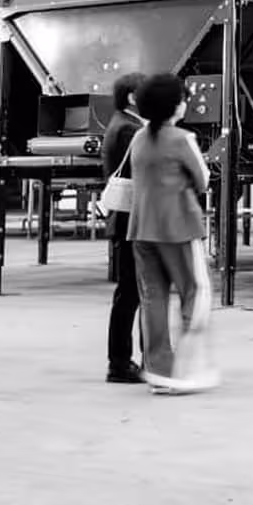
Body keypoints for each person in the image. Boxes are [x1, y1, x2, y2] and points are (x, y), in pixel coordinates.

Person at [129, 73, 218, 396]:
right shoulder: (182, 139)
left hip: (142, 228)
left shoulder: (138, 138)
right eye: (182, 99)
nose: (185, 103)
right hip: (178, 227)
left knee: (152, 299)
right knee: (195, 293)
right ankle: (187, 370)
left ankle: (158, 372)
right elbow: (203, 180)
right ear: (174, 106)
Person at [102, 72, 145, 384]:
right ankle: (119, 363)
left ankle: (121, 361)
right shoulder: (129, 129)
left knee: (130, 293)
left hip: (125, 219)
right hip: (132, 220)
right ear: (132, 97)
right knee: (131, 293)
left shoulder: (121, 123)